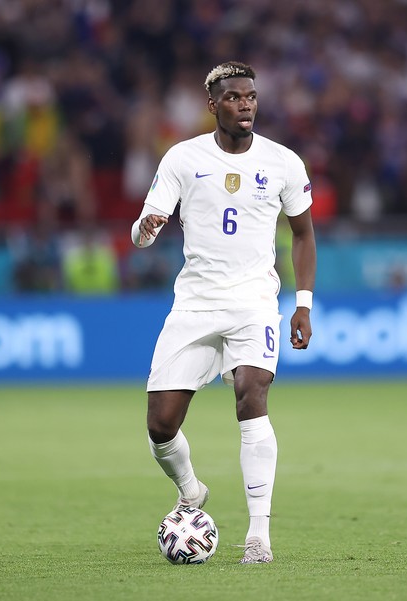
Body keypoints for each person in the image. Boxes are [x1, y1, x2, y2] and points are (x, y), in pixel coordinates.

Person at [131, 61, 317, 564]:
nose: (246, 105)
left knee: (251, 392)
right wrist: (144, 230)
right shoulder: (182, 159)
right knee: (160, 424)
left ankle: (259, 536)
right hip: (195, 303)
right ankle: (190, 491)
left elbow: (303, 234)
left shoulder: (283, 162)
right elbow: (145, 225)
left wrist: (302, 303)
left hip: (255, 301)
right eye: (234, 98)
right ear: (213, 106)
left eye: (251, 97)